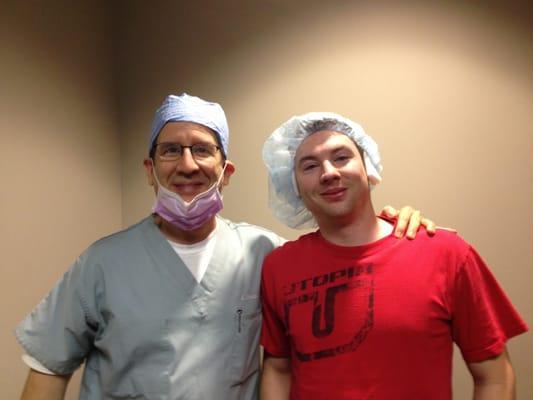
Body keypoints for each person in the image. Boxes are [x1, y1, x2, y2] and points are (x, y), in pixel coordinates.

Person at [15, 94, 432, 400]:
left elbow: (343, 262)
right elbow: (48, 370)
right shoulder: (102, 263)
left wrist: (391, 223)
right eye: (170, 151)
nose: (188, 165)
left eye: (202, 149)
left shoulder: (266, 254)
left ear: (226, 171)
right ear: (150, 169)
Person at [259, 112, 528, 400]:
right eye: (310, 166)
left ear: (367, 168)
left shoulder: (446, 253)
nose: (329, 173)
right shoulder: (280, 266)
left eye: (341, 157)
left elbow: (494, 377)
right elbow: (279, 368)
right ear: (295, 187)